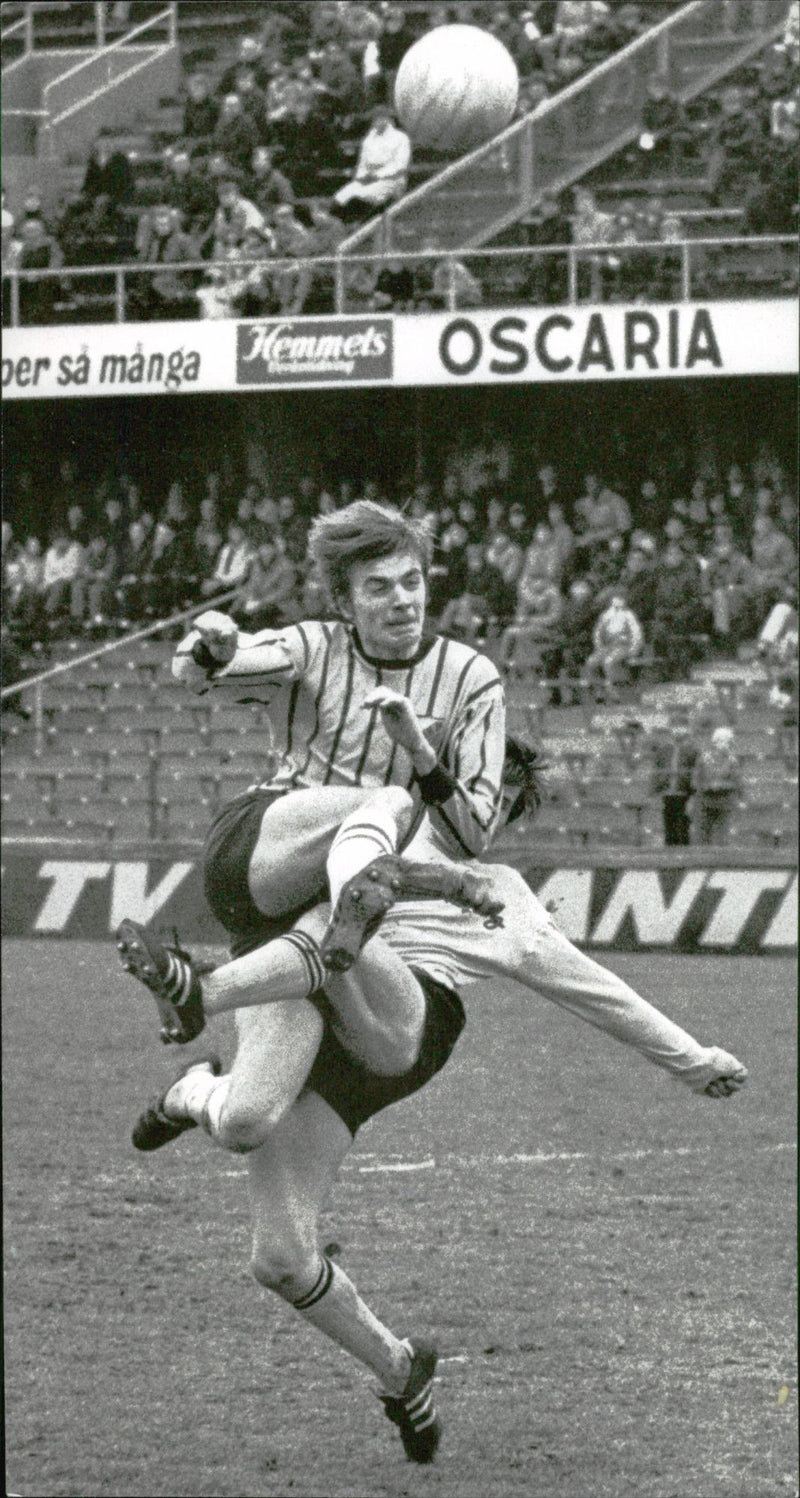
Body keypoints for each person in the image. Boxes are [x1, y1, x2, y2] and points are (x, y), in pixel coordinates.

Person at [332, 105, 411, 220]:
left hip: (391, 180)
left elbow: (400, 166)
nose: (378, 121)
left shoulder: (400, 138)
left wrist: (377, 175)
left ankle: (364, 225)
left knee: (362, 197)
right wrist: (361, 177)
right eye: (375, 118)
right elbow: (363, 163)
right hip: (368, 178)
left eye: (381, 118)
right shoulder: (369, 139)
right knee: (340, 198)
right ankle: (350, 227)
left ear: (388, 119)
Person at [648, 709, 698, 847]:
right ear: (670, 729)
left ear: (687, 729)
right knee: (668, 832)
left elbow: (696, 774)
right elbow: (656, 772)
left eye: (681, 727)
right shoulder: (663, 750)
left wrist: (693, 797)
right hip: (666, 794)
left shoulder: (693, 750)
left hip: (684, 795)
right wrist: (654, 793)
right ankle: (669, 864)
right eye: (675, 727)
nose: (678, 730)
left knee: (682, 830)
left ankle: (683, 863)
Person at [692, 725, 741, 846]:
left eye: (727, 741)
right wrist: (707, 786)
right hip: (705, 800)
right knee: (703, 836)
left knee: (723, 836)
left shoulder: (732, 761)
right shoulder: (703, 759)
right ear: (714, 742)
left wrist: (721, 785)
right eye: (720, 740)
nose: (723, 744)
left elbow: (736, 782)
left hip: (724, 801)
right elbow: (695, 780)